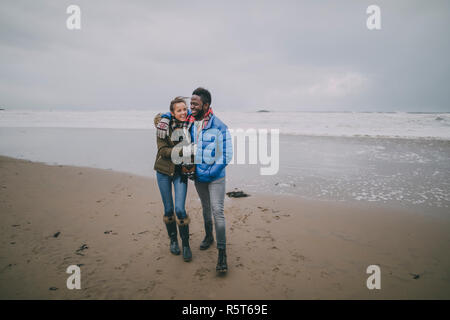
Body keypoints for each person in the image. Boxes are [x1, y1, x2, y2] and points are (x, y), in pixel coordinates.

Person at [156, 88, 233, 273]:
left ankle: (222, 255)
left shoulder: (219, 126)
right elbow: (175, 111)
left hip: (214, 177)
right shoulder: (190, 120)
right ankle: (208, 237)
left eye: (195, 104)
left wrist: (209, 172)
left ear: (206, 105)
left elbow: (227, 154)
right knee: (206, 208)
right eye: (190, 104)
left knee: (218, 212)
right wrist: (165, 117)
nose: (191, 107)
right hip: (198, 177)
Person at [153, 96, 194, 262]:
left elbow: (197, 113)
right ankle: (173, 241)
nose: (183, 112)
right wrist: (180, 151)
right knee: (168, 210)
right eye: (179, 110)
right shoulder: (162, 127)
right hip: (163, 171)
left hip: (180, 173)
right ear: (172, 113)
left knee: (180, 210)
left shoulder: (191, 124)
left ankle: (185, 244)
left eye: (185, 109)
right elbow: (162, 151)